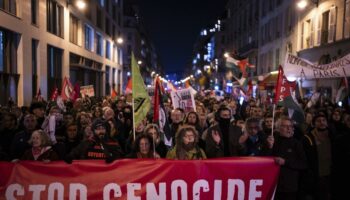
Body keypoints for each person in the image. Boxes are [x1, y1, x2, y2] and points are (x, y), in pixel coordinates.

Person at [300, 112, 334, 200]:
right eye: (318, 121)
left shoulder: (332, 136)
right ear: (314, 123)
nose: (322, 123)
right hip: (315, 176)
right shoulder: (308, 138)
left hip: (329, 175)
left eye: (324, 120)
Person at [272, 117, 307, 200]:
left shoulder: (296, 144)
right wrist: (269, 147)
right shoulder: (273, 141)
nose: (289, 128)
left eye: (290, 126)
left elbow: (303, 164)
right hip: (273, 185)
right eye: (285, 126)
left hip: (289, 187)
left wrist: (285, 162)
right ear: (279, 128)